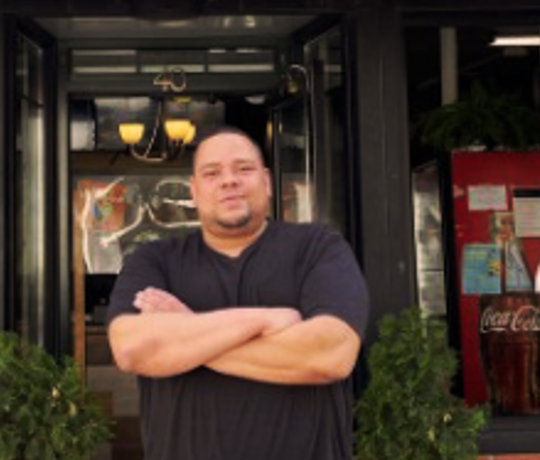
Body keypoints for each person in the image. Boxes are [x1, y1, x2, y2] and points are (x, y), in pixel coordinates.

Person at [107, 128, 370, 460]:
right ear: (194, 190)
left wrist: (186, 330)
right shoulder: (154, 259)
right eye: (212, 172)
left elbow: (330, 354)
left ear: (267, 182)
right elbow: (132, 348)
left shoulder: (318, 247)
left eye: (243, 169)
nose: (229, 180)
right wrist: (264, 319)